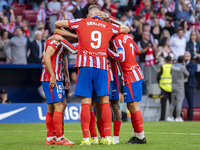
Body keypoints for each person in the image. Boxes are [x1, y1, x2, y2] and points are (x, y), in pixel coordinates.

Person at [53, 5, 130, 145]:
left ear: (89, 15)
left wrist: (75, 36)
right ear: (100, 15)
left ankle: (86, 139)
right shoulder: (107, 25)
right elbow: (126, 29)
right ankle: (107, 137)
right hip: (102, 67)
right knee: (105, 102)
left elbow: (57, 24)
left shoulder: (81, 22)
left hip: (86, 67)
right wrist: (109, 18)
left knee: (86, 103)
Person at [107, 33, 146, 144]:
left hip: (130, 74)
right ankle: (138, 135)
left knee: (133, 106)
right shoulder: (127, 36)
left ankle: (140, 137)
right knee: (131, 105)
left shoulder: (116, 40)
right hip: (135, 71)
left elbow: (121, 57)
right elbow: (137, 50)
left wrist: (107, 50)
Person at [41, 36, 74, 145]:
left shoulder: (64, 43)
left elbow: (63, 58)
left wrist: (67, 76)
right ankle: (60, 138)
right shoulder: (55, 41)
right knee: (59, 105)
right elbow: (46, 57)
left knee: (58, 105)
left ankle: (51, 138)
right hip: (52, 78)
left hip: (58, 77)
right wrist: (52, 76)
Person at [167, 56, 189, 122]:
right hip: (180, 87)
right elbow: (188, 74)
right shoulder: (182, 67)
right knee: (179, 103)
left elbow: (170, 73)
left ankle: (170, 117)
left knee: (172, 103)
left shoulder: (173, 66)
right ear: (183, 61)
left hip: (173, 86)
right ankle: (178, 117)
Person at [184, 52, 199, 121]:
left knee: (191, 102)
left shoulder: (193, 64)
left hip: (190, 85)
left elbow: (191, 73)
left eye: (187, 56)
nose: (186, 58)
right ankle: (179, 117)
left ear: (190, 57)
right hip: (182, 85)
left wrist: (184, 67)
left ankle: (190, 118)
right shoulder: (180, 63)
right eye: (185, 56)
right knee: (179, 101)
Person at [157, 55, 172, 121]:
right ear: (171, 61)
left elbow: (158, 77)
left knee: (163, 104)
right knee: (173, 104)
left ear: (165, 60)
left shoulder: (163, 67)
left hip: (163, 88)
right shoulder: (173, 67)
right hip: (172, 88)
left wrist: (160, 85)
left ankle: (162, 118)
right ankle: (173, 117)